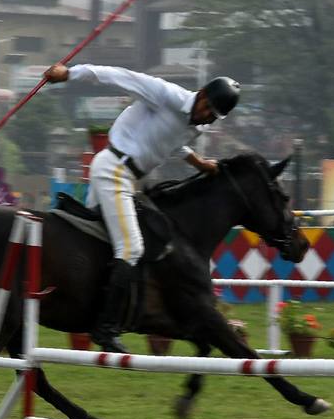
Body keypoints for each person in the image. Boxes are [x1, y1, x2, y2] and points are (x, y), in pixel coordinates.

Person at [44, 63, 240, 354]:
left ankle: (84, 306)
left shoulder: (196, 127)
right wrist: (69, 74)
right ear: (200, 94)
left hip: (124, 176)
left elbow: (170, 142)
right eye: (206, 108)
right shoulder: (167, 94)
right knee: (131, 248)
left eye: (213, 115)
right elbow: (119, 76)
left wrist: (197, 162)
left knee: (100, 244)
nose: (206, 117)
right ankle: (106, 328)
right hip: (114, 170)